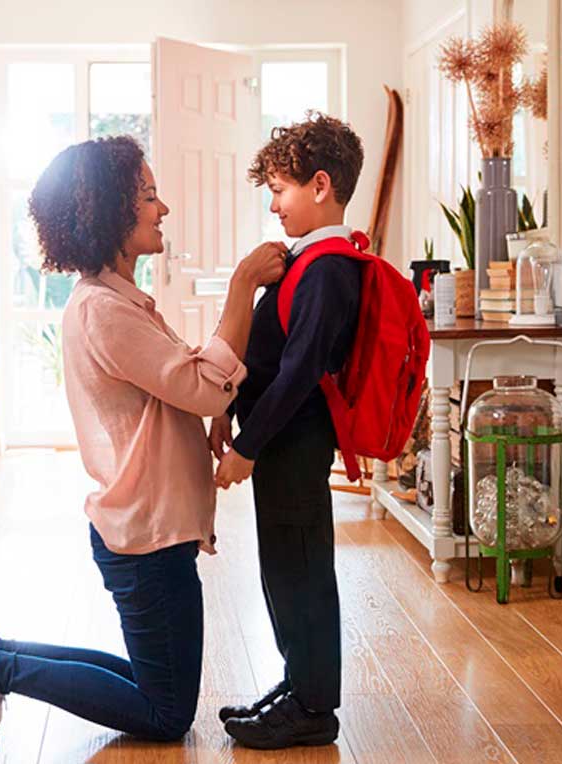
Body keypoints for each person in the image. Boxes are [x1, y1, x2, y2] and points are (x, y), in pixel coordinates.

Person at [0, 135, 286, 747]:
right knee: (165, 712)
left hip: (148, 529)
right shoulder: (105, 310)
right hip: (146, 537)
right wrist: (242, 288)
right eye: (149, 196)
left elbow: (178, 389)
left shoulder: (117, 301)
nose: (164, 209)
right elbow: (203, 386)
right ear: (110, 214)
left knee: (155, 683)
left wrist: (209, 410)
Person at [211, 113, 365, 749]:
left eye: (280, 189)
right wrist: (228, 406)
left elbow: (300, 371)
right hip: (282, 443)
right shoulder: (305, 261)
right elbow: (270, 354)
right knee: (282, 567)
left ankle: (313, 707)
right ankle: (299, 684)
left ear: (320, 185)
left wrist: (247, 447)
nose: (273, 204)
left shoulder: (329, 267)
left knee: (301, 570)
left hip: (294, 444)